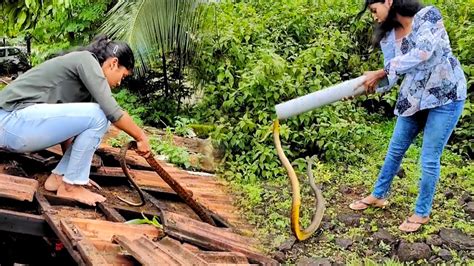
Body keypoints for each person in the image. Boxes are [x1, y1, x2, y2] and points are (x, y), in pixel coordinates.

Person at [349, 0, 467, 232]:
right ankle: (378, 195)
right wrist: (360, 89)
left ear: (389, 2)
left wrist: (382, 71)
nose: (374, 16)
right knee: (395, 149)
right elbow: (390, 78)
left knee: (429, 158)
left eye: (374, 10)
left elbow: (423, 53)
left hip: (446, 96)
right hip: (413, 99)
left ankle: (421, 213)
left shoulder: (429, 16)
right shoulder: (389, 37)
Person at [0, 35, 151, 206]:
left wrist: (72, 171)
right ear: (113, 63)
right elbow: (112, 111)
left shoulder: (86, 86)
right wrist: (141, 137)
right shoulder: (86, 60)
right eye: (122, 76)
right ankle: (70, 187)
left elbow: (68, 130)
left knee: (97, 115)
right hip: (8, 120)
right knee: (101, 114)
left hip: (16, 126)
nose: (119, 83)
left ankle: (59, 179)